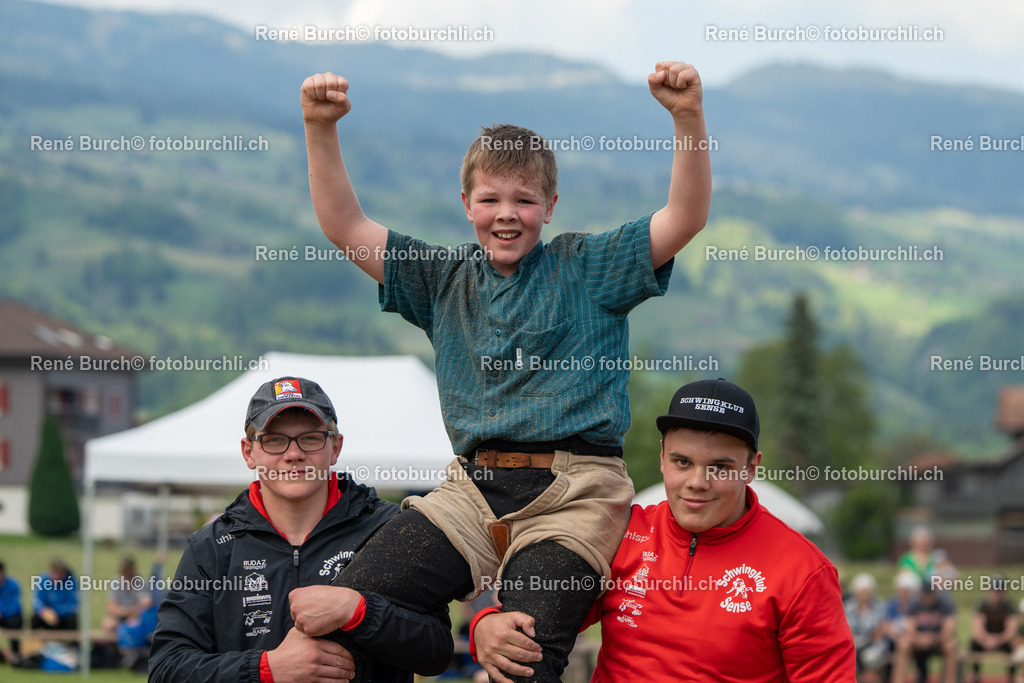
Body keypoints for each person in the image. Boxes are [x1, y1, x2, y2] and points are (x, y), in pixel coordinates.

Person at [294, 60, 711, 682]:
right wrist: (319, 128)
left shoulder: (588, 268)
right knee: (345, 615)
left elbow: (685, 216)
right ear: (466, 204)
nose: (506, 213)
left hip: (574, 494)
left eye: (524, 199)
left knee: (521, 656)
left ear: (551, 205)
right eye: (490, 198)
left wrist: (686, 117)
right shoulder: (443, 280)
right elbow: (346, 227)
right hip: (470, 490)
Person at [472, 378, 856, 682]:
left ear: (751, 468)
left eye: (720, 467)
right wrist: (485, 626)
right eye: (682, 462)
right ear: (661, 457)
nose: (697, 482)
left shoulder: (804, 571)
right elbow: (542, 620)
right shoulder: (619, 529)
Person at [148, 376, 454, 683]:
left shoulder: (390, 529)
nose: (294, 453)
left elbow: (437, 651)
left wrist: (359, 611)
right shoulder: (212, 547)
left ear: (335, 447)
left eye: (310, 438)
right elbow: (167, 669)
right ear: (248, 452)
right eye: (274, 439)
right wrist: (265, 670)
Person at [892, 581, 957, 683]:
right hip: (917, 641)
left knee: (951, 645)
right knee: (903, 644)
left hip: (938, 641)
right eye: (926, 594)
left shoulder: (945, 605)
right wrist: (920, 638)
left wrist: (933, 638)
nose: (928, 597)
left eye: (930, 594)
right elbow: (909, 629)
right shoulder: (914, 604)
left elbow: (949, 629)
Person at [966, 575, 1018, 683]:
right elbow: (977, 628)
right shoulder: (982, 606)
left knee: (1014, 645)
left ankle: (1011, 677)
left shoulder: (1009, 607)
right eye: (994, 590)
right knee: (973, 644)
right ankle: (976, 675)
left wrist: (998, 640)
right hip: (985, 639)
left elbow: (1011, 631)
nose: (996, 594)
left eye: (999, 590)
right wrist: (986, 639)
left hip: (1002, 640)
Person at [845, 573, 887, 681]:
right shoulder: (848, 608)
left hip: (874, 644)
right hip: (854, 644)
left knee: (872, 657)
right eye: (862, 592)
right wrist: (868, 637)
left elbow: (881, 629)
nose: (865, 595)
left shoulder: (879, 606)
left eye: (867, 592)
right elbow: (848, 630)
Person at [31, 560, 78, 630]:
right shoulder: (43, 580)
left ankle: (72, 640)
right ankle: (34, 640)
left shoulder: (71, 582)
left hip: (63, 617)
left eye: (58, 573)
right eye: (54, 573)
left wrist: (56, 612)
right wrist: (44, 611)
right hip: (47, 616)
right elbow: (37, 600)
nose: (56, 576)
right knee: (34, 618)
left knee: (72, 619)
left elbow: (73, 605)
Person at [0, 561, 23, 665]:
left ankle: (16, 653)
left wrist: (2, 612)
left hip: (10, 617)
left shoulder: (13, 585)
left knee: (14, 622)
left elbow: (14, 606)